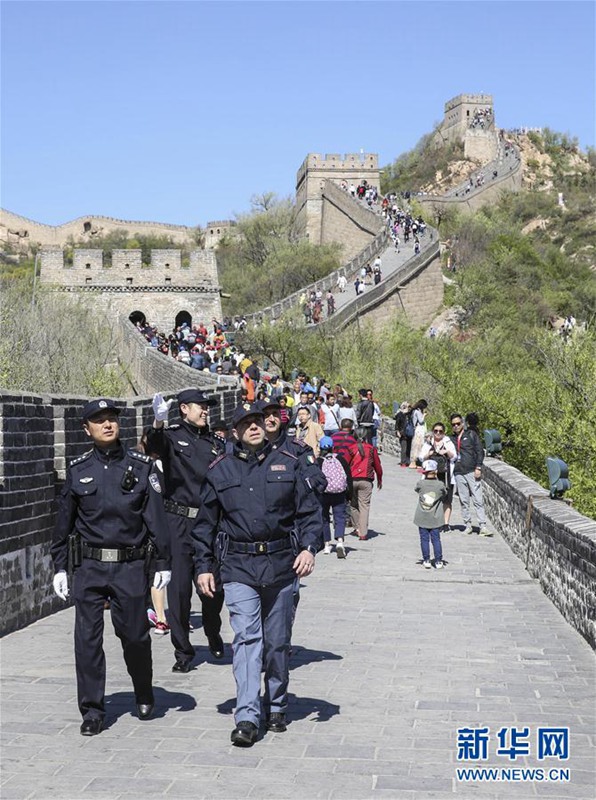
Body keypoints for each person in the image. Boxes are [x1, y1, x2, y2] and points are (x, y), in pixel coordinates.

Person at [191, 404, 323, 747]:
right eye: (245, 423)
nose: (254, 427)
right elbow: (204, 524)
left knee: (277, 642)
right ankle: (247, 716)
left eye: (257, 421)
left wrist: (309, 548)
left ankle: (277, 702)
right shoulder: (220, 470)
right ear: (234, 432)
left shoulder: (290, 463)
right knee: (247, 638)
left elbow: (310, 512)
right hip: (238, 566)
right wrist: (203, 566)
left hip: (282, 564)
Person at [50, 399, 171, 736]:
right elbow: (63, 524)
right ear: (86, 428)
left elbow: (156, 521)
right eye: (99, 420)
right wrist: (60, 566)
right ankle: (91, 709)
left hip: (129, 566)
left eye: (112, 419)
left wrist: (163, 561)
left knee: (134, 635)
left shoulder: (141, 467)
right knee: (86, 640)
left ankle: (143, 688)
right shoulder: (78, 470)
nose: (107, 425)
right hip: (88, 566)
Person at [147, 390, 226, 673]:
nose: (206, 411)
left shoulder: (218, 443)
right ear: (184, 408)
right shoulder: (171, 436)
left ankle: (213, 630)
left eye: (207, 407)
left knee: (213, 589)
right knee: (179, 592)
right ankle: (183, 651)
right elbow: (153, 446)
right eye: (201, 406)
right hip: (178, 523)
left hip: (208, 524)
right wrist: (158, 422)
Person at [450, 413, 491, 536]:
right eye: (453, 424)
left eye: (458, 423)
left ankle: (482, 526)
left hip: (471, 471)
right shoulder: (450, 439)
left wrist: (478, 467)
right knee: (464, 500)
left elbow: (479, 451)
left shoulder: (471, 435)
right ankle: (467, 525)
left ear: (462, 423)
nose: (456, 426)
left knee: (478, 499)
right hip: (458, 472)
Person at [318, 436, 352, 558]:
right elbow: (348, 477)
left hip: (324, 494)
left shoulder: (319, 461)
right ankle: (340, 542)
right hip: (339, 493)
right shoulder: (340, 459)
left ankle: (327, 544)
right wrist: (349, 495)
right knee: (340, 517)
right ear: (333, 447)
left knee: (324, 518)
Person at [346, 428, 383, 540]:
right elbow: (377, 465)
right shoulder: (371, 449)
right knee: (364, 506)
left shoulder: (351, 449)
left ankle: (357, 527)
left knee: (353, 505)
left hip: (352, 480)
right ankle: (363, 533)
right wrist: (380, 479)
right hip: (366, 480)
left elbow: (345, 464)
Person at [419, 423, 457, 529]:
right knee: (431, 498)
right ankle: (432, 521)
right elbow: (421, 458)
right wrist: (429, 454)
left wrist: (447, 452)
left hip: (445, 475)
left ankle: (445, 523)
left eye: (440, 431)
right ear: (433, 431)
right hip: (431, 476)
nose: (438, 433)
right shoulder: (428, 443)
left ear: (444, 432)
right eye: (436, 431)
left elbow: (454, 457)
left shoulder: (448, 442)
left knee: (447, 499)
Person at [414, 459, 447, 569]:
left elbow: (416, 489)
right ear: (436, 472)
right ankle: (438, 560)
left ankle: (426, 559)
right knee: (436, 539)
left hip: (422, 517)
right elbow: (445, 493)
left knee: (424, 539)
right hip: (435, 517)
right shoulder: (440, 485)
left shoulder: (421, 484)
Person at [409, 399, 428, 469]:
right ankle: (414, 462)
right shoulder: (417, 412)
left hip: (417, 430)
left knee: (417, 445)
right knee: (417, 445)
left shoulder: (415, 411)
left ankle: (415, 462)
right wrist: (424, 415)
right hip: (419, 430)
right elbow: (421, 421)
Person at [394, 401, 413, 467]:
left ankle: (407, 461)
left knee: (408, 448)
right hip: (403, 433)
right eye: (408, 406)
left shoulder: (409, 414)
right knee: (404, 448)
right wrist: (397, 431)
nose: (409, 408)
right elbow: (397, 424)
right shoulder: (400, 414)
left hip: (409, 433)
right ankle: (403, 462)